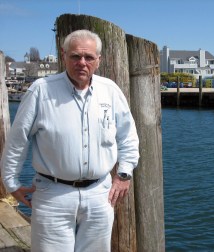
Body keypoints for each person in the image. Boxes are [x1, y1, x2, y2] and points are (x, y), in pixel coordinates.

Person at [1, 29, 139, 252]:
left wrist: (124, 174)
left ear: (98, 60)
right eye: (75, 56)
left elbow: (128, 136)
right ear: (64, 55)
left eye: (89, 57)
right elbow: (17, 141)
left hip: (100, 193)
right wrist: (11, 183)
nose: (82, 62)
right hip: (52, 194)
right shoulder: (41, 91)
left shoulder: (110, 91)